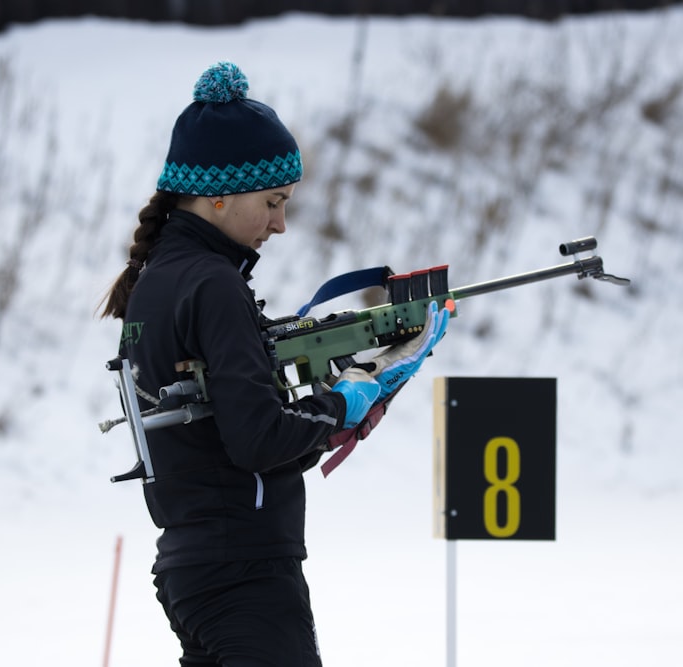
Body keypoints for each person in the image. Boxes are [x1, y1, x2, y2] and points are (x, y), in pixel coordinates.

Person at [100, 61, 449, 666]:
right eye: (273, 201)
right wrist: (349, 397)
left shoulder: (158, 282)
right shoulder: (213, 286)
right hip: (245, 575)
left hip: (197, 566)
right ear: (218, 197)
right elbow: (259, 439)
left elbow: (226, 418)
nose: (280, 224)